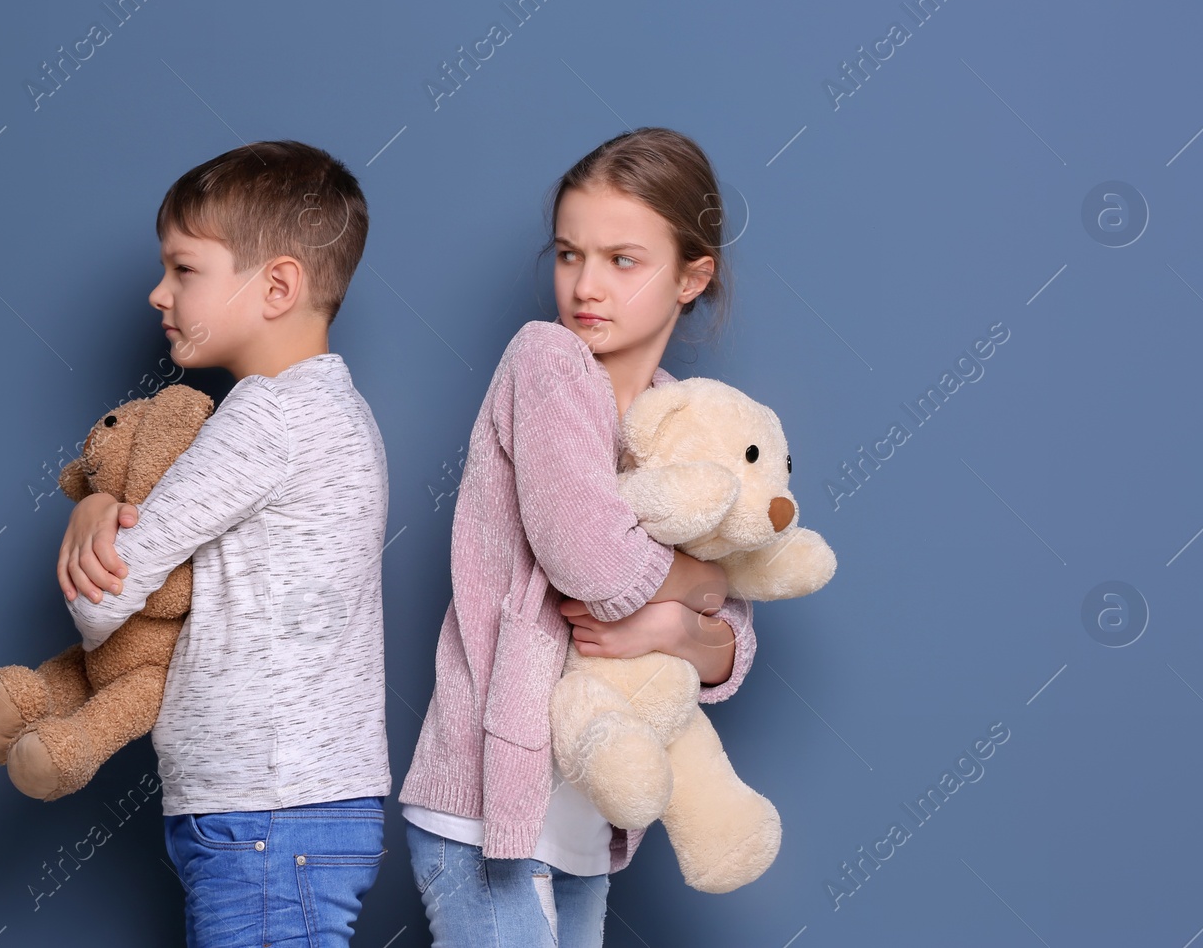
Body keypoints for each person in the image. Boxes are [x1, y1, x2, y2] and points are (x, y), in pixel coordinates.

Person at [397, 127, 757, 946]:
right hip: (488, 811)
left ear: (691, 276)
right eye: (568, 255)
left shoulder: (683, 422)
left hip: (584, 827)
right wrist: (696, 590)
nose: (585, 285)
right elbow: (590, 558)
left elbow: (733, 644)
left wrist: (673, 624)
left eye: (622, 260)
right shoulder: (548, 362)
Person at [57, 141, 391, 948]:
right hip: (291, 807)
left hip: (266, 810)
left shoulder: (263, 419)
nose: (158, 292)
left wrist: (91, 515)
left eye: (184, 269)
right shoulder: (341, 411)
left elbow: (105, 599)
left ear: (276, 284)